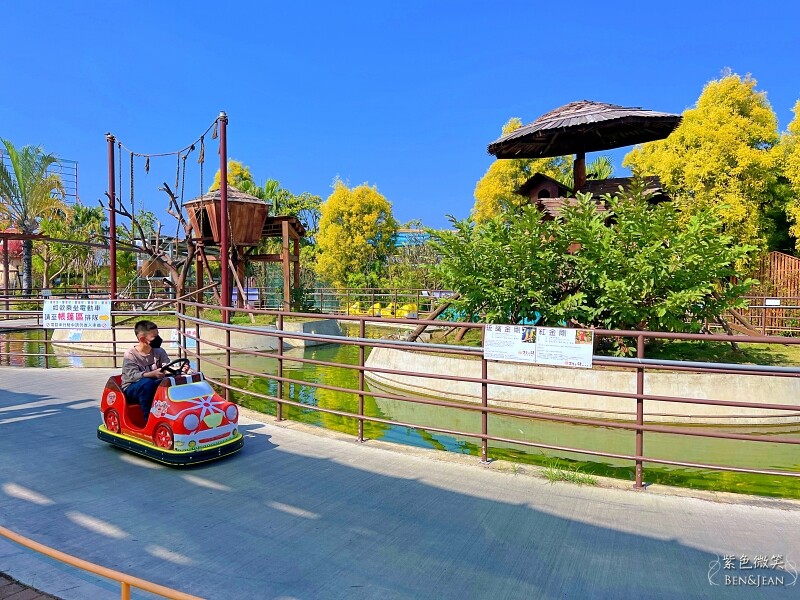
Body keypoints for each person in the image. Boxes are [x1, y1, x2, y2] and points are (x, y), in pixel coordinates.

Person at [121, 320, 171, 425]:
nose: (158, 339)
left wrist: (181, 369)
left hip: (153, 383)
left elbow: (167, 366)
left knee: (171, 381)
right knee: (147, 383)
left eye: (158, 335)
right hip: (132, 388)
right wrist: (152, 374)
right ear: (143, 339)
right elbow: (132, 376)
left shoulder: (159, 351)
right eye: (154, 337)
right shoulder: (130, 355)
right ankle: (149, 421)